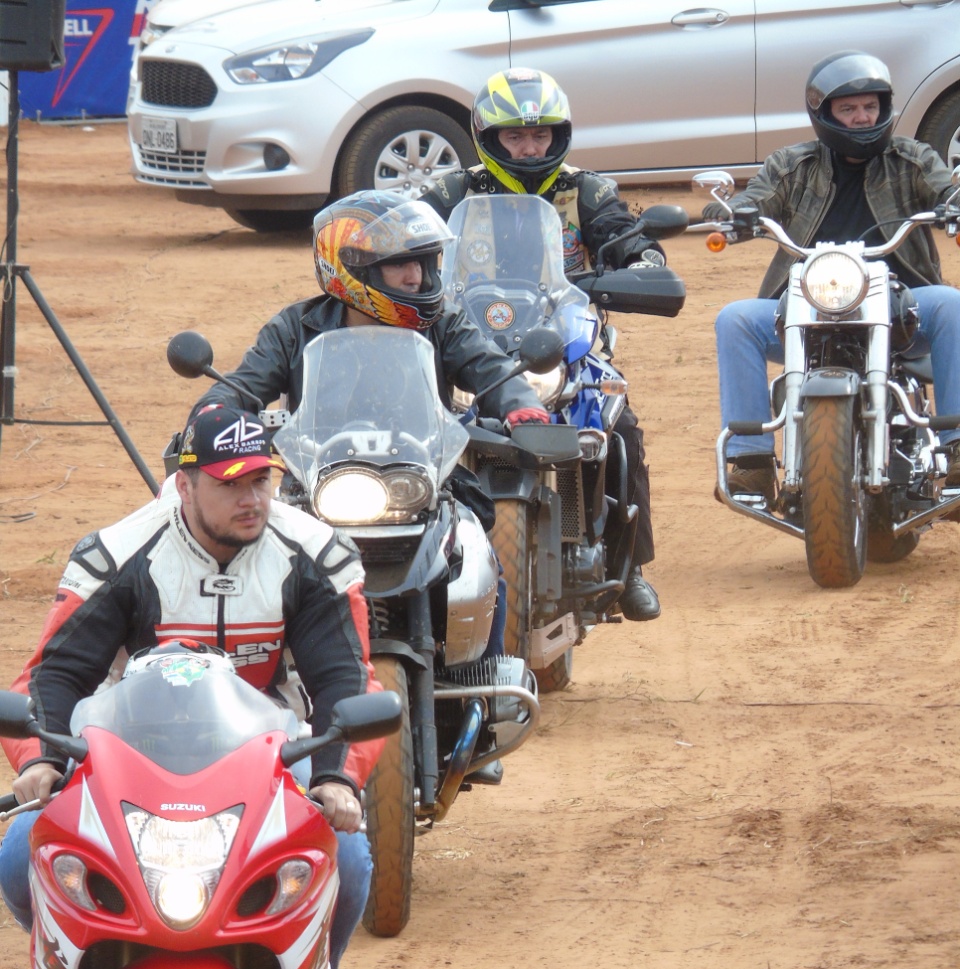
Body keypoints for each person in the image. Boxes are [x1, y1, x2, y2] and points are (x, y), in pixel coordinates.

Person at [0, 408, 382, 969]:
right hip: (129, 755)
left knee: (351, 863)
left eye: (263, 480)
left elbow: (345, 684)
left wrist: (336, 776)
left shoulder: (314, 554)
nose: (253, 499)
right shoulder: (119, 555)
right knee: (22, 843)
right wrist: (37, 762)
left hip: (272, 757)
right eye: (231, 482)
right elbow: (51, 679)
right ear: (184, 485)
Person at [189, 188, 550, 666]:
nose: (416, 276)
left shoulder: (442, 321)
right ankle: (266, 677)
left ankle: (485, 676)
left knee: (478, 560)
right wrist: (212, 415)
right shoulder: (295, 328)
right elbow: (244, 385)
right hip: (319, 482)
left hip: (422, 476)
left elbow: (487, 366)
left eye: (422, 262)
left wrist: (519, 403)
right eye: (399, 264)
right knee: (247, 561)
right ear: (351, 270)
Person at [420, 67, 665, 623]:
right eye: (515, 137)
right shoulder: (450, 192)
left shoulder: (588, 190)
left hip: (564, 338)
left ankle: (632, 567)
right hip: (467, 336)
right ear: (488, 137)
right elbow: (408, 240)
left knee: (617, 425)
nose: (530, 149)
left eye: (540, 136)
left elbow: (624, 237)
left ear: (559, 136)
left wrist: (642, 263)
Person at [707, 50, 960, 502]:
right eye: (849, 109)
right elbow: (757, 199)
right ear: (823, 113)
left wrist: (954, 201)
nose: (863, 118)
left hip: (904, 305)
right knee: (735, 319)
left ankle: (957, 447)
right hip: (809, 304)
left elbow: (947, 186)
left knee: (953, 304)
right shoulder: (792, 165)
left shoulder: (912, 158)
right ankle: (752, 462)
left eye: (871, 107)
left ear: (884, 108)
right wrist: (737, 213)